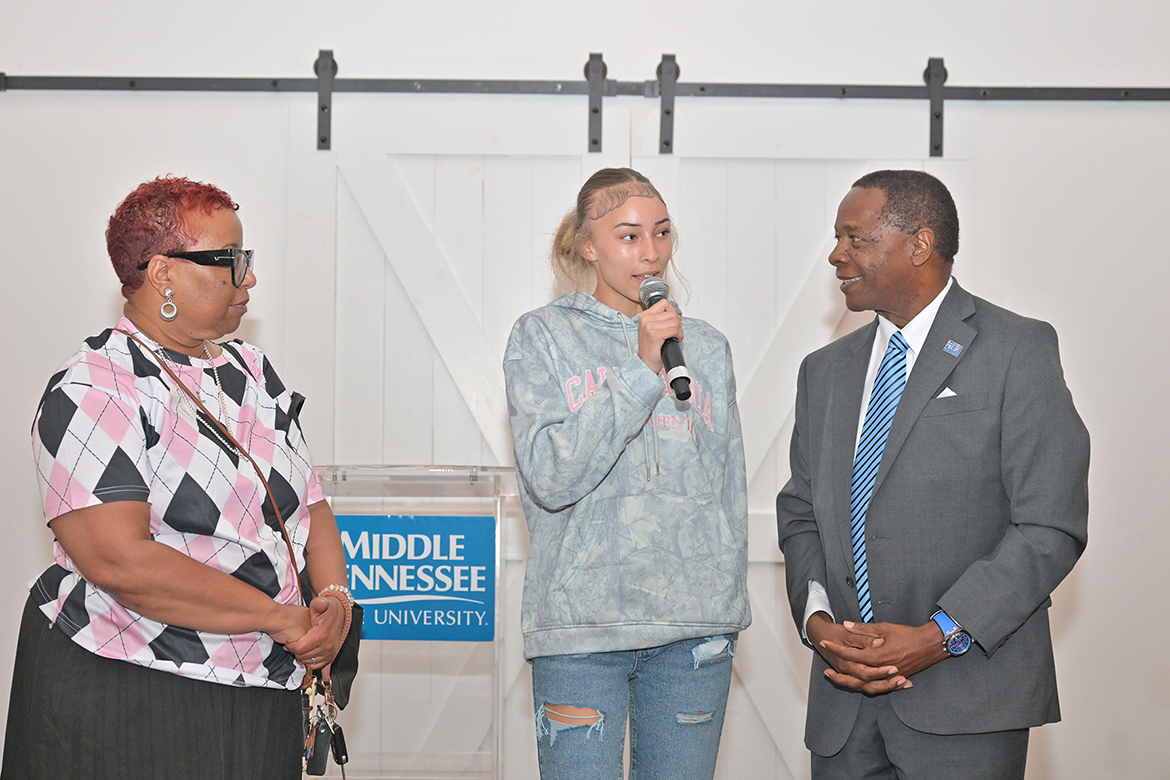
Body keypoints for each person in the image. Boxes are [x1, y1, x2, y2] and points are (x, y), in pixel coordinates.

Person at [2, 176, 354, 780]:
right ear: (162, 273)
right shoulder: (95, 387)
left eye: (248, 260)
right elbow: (121, 563)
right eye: (231, 261)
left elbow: (308, 506)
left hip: (262, 685)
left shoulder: (251, 369)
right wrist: (278, 617)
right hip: (130, 690)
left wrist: (334, 603)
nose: (249, 280)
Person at [776, 169, 1090, 779]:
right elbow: (799, 512)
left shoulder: (1016, 349)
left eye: (855, 238)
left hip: (968, 699)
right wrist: (818, 621)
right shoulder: (825, 370)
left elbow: (1049, 524)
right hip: (844, 708)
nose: (837, 256)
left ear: (919, 245)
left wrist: (940, 634)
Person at [503, 168, 751, 779]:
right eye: (628, 236)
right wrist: (642, 370)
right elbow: (550, 477)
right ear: (587, 245)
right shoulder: (542, 338)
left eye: (661, 234)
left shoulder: (707, 348)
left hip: (693, 631)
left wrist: (725, 599)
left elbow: (729, 488)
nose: (650, 252)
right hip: (580, 631)